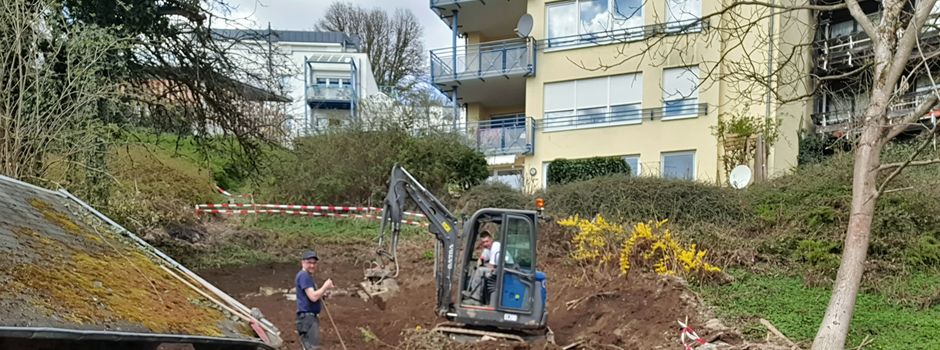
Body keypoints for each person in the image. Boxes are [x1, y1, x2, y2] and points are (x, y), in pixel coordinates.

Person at [295, 250, 334, 350]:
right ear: (303, 262)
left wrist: (323, 294)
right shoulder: (304, 276)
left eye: (314, 263)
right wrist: (325, 286)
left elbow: (311, 296)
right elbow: (313, 297)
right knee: (312, 347)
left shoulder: (306, 276)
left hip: (305, 318)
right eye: (309, 262)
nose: (312, 265)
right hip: (308, 319)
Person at [463, 229, 513, 305]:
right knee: (477, 269)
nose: (485, 244)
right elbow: (483, 257)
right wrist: (480, 260)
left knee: (480, 271)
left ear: (491, 240)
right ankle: (472, 292)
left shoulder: (496, 245)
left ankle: (476, 299)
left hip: (507, 270)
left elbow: (491, 266)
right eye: (483, 242)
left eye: (487, 241)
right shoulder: (487, 249)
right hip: (498, 269)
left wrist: (483, 265)